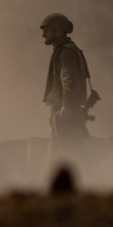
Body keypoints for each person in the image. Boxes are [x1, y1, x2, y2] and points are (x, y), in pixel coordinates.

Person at [40, 12, 91, 163]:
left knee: (70, 157)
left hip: (67, 112)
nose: (43, 35)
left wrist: (66, 106)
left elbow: (70, 80)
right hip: (63, 111)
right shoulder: (62, 50)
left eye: (47, 31)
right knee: (57, 158)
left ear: (59, 31)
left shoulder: (66, 52)